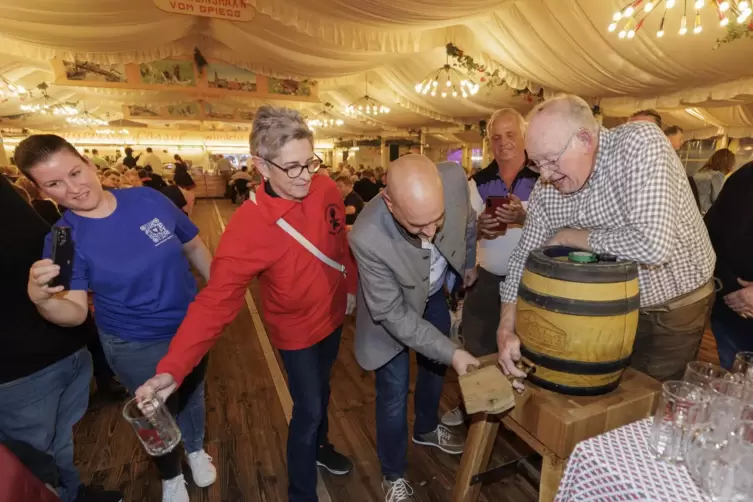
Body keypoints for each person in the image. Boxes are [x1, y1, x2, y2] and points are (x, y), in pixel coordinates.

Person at [134, 106, 357, 502]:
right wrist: (173, 368)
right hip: (296, 332)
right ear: (261, 166)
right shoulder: (247, 231)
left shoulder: (324, 187)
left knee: (322, 391)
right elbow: (215, 303)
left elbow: (339, 242)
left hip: (335, 314)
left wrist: (350, 286)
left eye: (310, 162)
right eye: (292, 168)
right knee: (307, 409)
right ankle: (301, 493)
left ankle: (321, 448)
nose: (306, 176)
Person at [18, 134, 215, 502]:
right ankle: (170, 475)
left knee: (193, 392)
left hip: (191, 326)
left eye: (75, 173)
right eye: (54, 184)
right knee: (154, 412)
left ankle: (195, 448)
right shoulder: (63, 239)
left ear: (90, 164)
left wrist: (219, 296)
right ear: (41, 191)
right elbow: (75, 312)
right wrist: (42, 301)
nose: (73, 189)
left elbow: (192, 244)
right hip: (134, 340)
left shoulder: (147, 199)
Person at [497, 95, 716, 385]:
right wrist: (505, 326)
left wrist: (569, 237)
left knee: (647, 400)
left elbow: (653, 245)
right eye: (537, 164)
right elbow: (523, 258)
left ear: (586, 140)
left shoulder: (639, 144)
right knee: (596, 394)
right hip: (606, 306)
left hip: (671, 306)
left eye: (551, 160)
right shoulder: (547, 188)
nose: (546, 175)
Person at [349, 154, 480, 501]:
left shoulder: (453, 177)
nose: (431, 233)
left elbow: (469, 221)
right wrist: (455, 352)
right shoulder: (366, 235)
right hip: (392, 311)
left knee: (435, 368)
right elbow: (392, 314)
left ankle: (425, 427)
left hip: (433, 293)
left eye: (437, 220)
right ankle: (392, 474)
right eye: (417, 226)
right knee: (393, 395)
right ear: (390, 204)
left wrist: (467, 262)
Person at [0, 174, 123, 502]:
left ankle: (70, 492)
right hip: (19, 367)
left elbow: (59, 244)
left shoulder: (12, 198)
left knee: (58, 442)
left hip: (64, 343)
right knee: (34, 458)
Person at [441, 109, 538, 427]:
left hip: (530, 282)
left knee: (526, 350)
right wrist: (480, 225)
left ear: (524, 135)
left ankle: (520, 415)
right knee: (477, 345)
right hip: (487, 276)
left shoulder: (544, 178)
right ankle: (475, 409)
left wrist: (523, 218)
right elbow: (463, 230)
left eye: (511, 134)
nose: (503, 142)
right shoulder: (479, 181)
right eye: (496, 137)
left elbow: (559, 226)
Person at [704, 161, 753, 368]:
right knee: (734, 390)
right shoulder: (746, 176)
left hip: (736, 306)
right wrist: (729, 286)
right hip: (732, 311)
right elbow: (708, 236)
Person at [694, 148, 736, 214]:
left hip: (694, 209)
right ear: (728, 164)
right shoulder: (717, 176)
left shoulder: (703, 172)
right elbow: (717, 199)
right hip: (704, 214)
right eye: (733, 164)